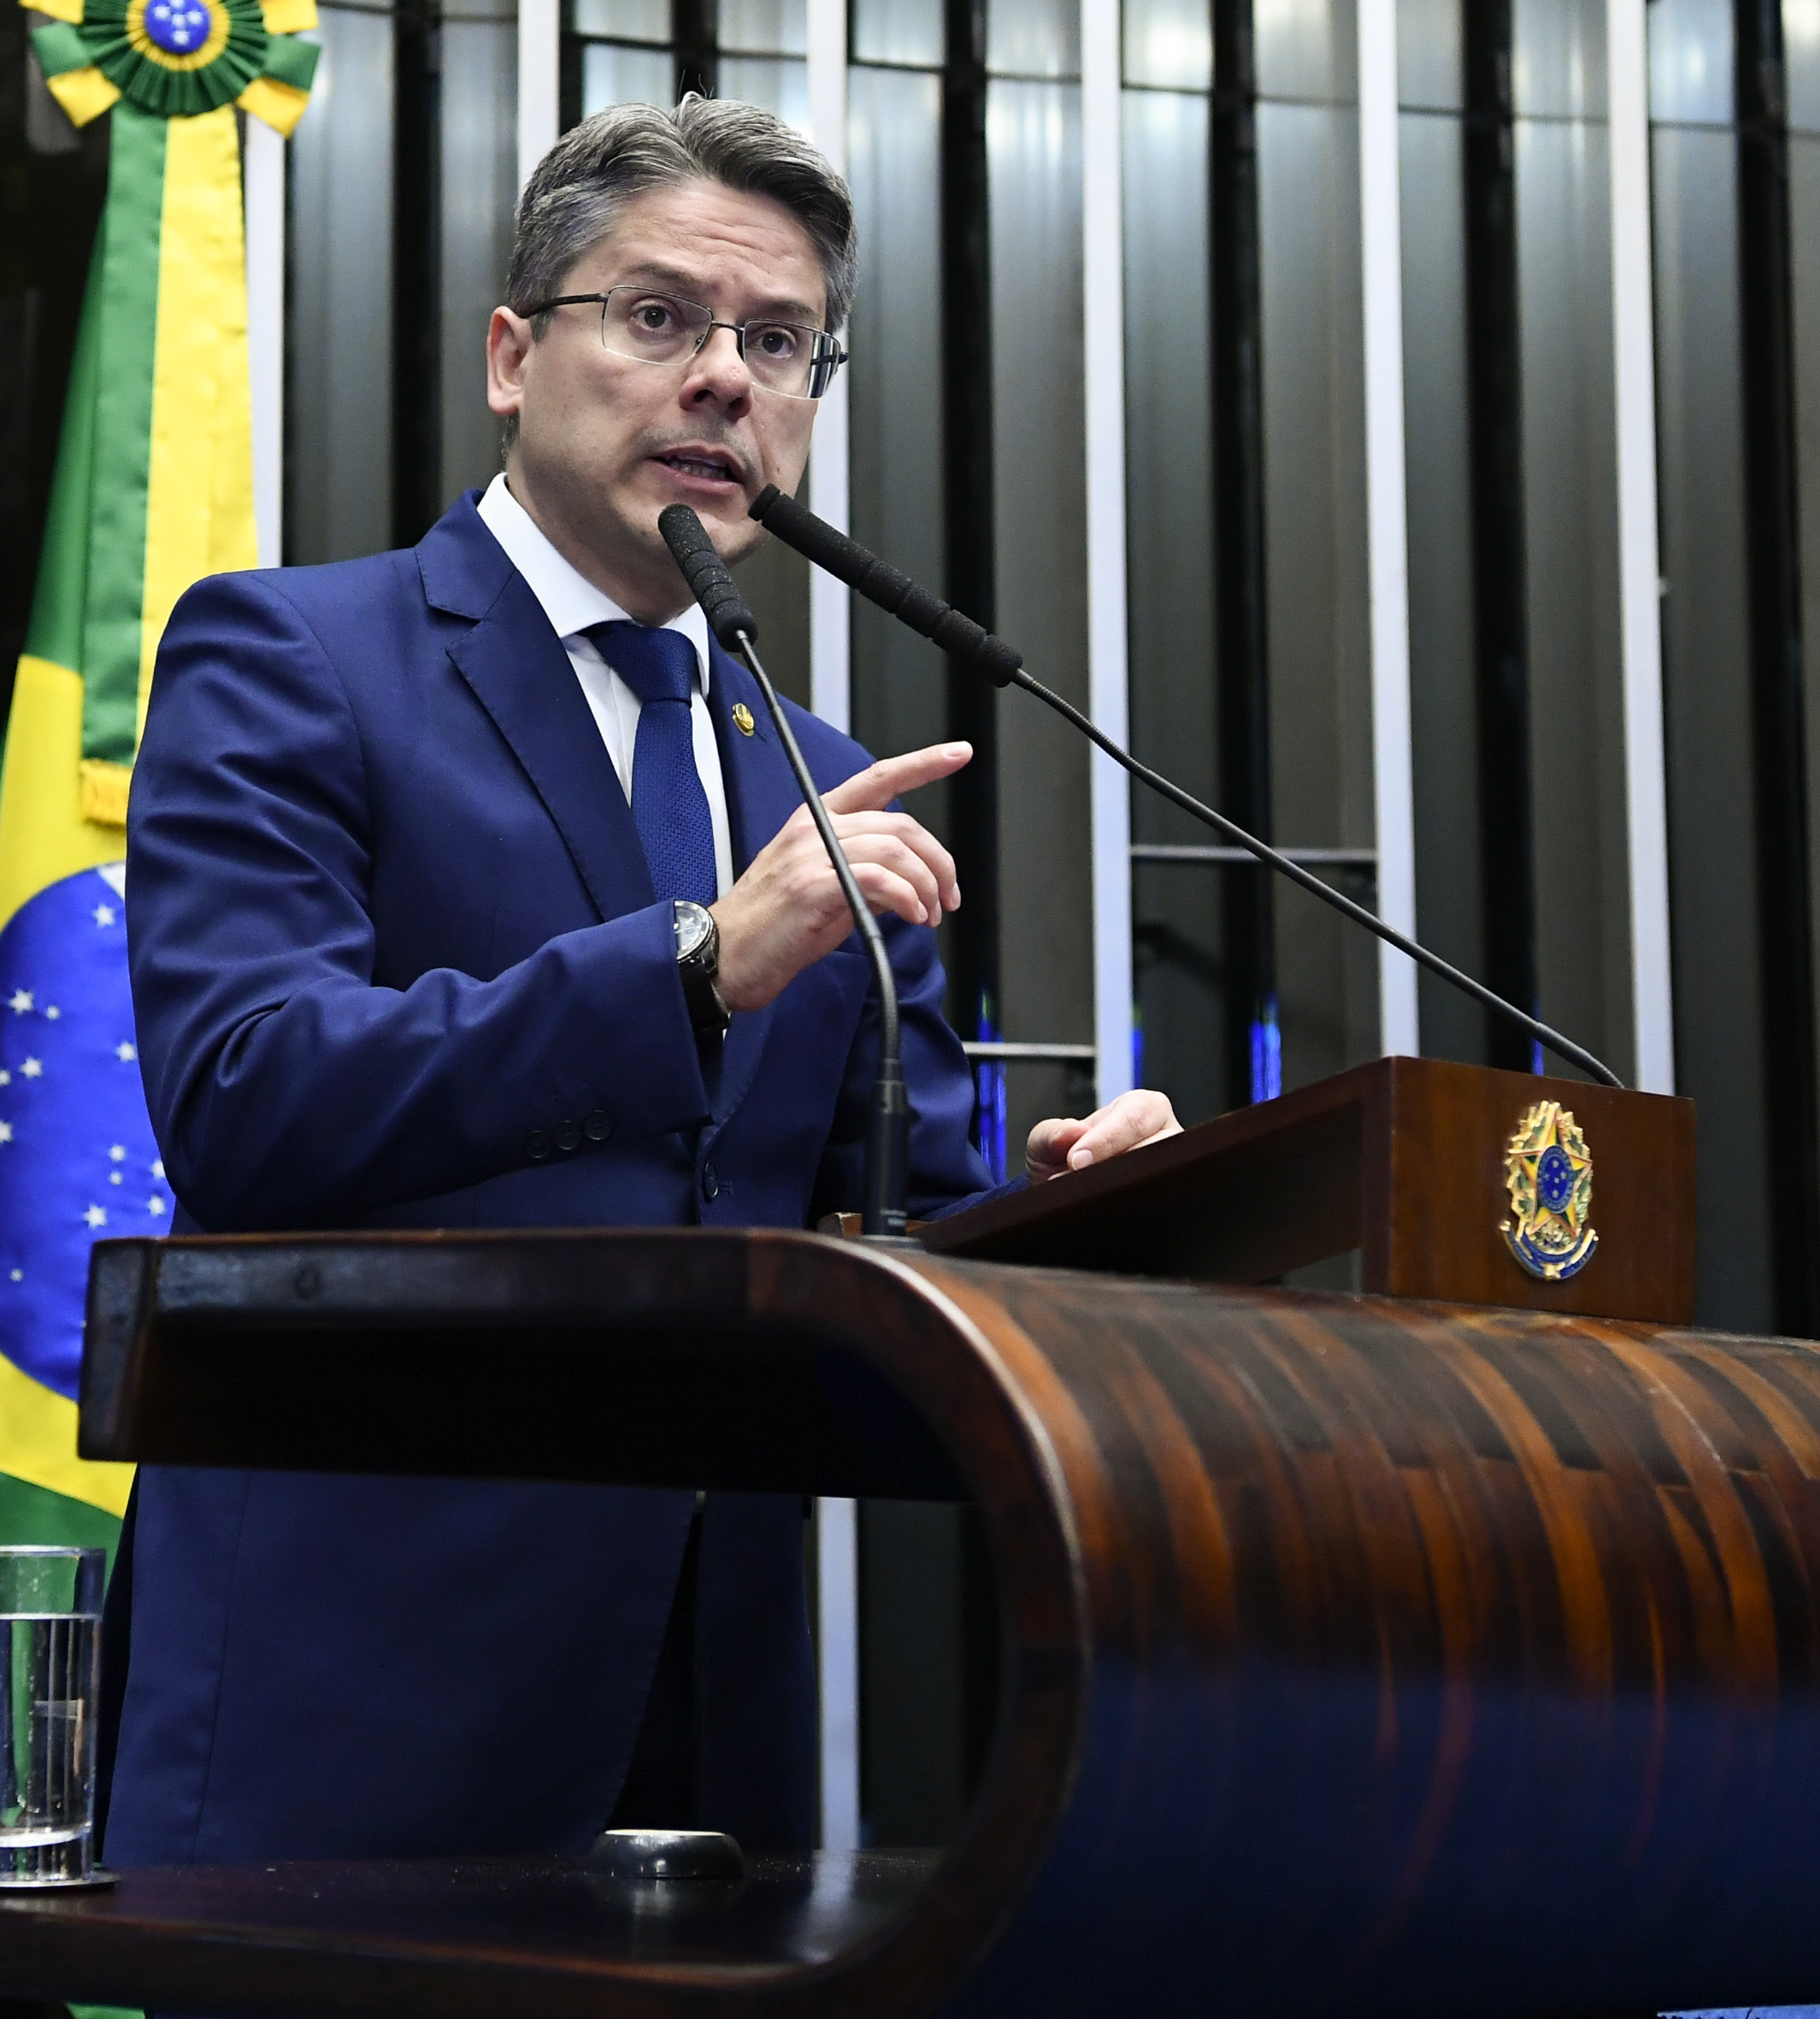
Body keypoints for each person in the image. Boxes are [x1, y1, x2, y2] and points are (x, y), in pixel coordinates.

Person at [110, 93, 1179, 1869]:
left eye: (776, 343)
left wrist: (1079, 1212)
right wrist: (694, 964)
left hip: (717, 1710)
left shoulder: (813, 770)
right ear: (513, 356)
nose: (722, 381)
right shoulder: (295, 653)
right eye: (662, 318)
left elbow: (895, 1207)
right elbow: (246, 1094)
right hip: (353, 1695)